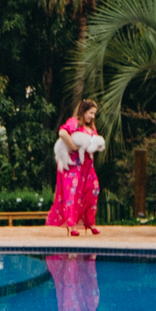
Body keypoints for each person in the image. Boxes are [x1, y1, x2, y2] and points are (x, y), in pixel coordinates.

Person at [46, 100, 104, 236]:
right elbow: (62, 133)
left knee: (93, 190)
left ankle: (90, 222)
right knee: (71, 193)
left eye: (94, 114)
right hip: (73, 165)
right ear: (83, 111)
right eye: (90, 113)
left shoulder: (92, 127)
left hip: (87, 166)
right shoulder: (74, 122)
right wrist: (73, 146)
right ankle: (71, 225)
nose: (92, 116)